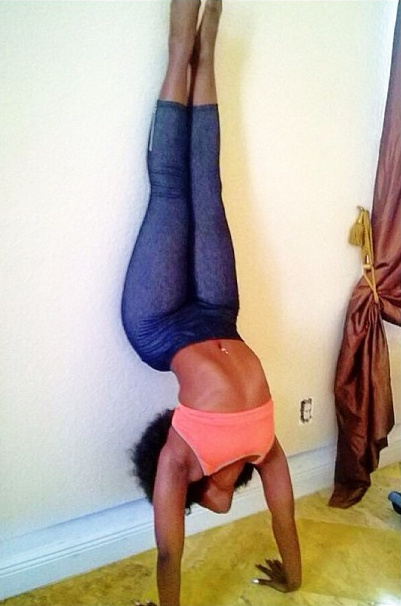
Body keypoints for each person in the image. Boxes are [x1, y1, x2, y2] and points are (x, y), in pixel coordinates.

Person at [121, 1, 302, 604]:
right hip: (220, 314)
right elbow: (283, 514)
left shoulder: (182, 458)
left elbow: (168, 553)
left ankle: (181, 51)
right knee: (208, 185)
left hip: (157, 326)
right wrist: (294, 576)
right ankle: (209, 52)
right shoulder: (263, 448)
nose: (215, 506)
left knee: (171, 188)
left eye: (196, 506)